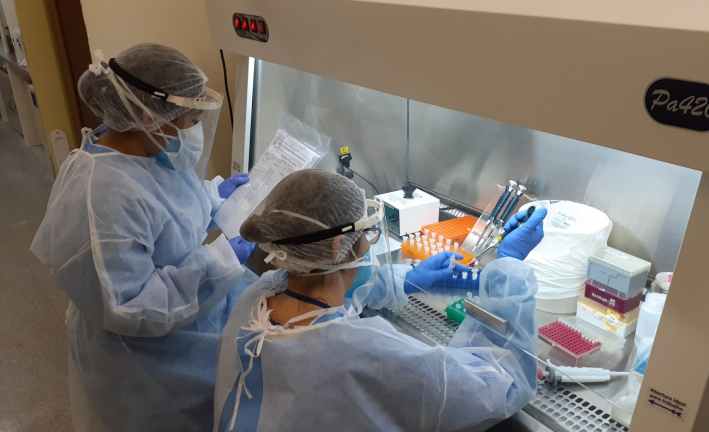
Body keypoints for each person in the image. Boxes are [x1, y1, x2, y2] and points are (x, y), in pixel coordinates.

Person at [30, 43, 258, 432]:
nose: (195, 131)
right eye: (190, 120)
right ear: (150, 116)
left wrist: (212, 200)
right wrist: (220, 261)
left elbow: (165, 213)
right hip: (144, 362)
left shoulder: (147, 151)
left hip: (181, 333)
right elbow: (130, 305)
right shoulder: (103, 192)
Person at [213, 169, 547, 431]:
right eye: (367, 234)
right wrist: (509, 269)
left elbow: (333, 291)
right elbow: (498, 385)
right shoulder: (363, 353)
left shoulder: (255, 298)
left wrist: (407, 279)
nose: (369, 245)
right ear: (338, 249)